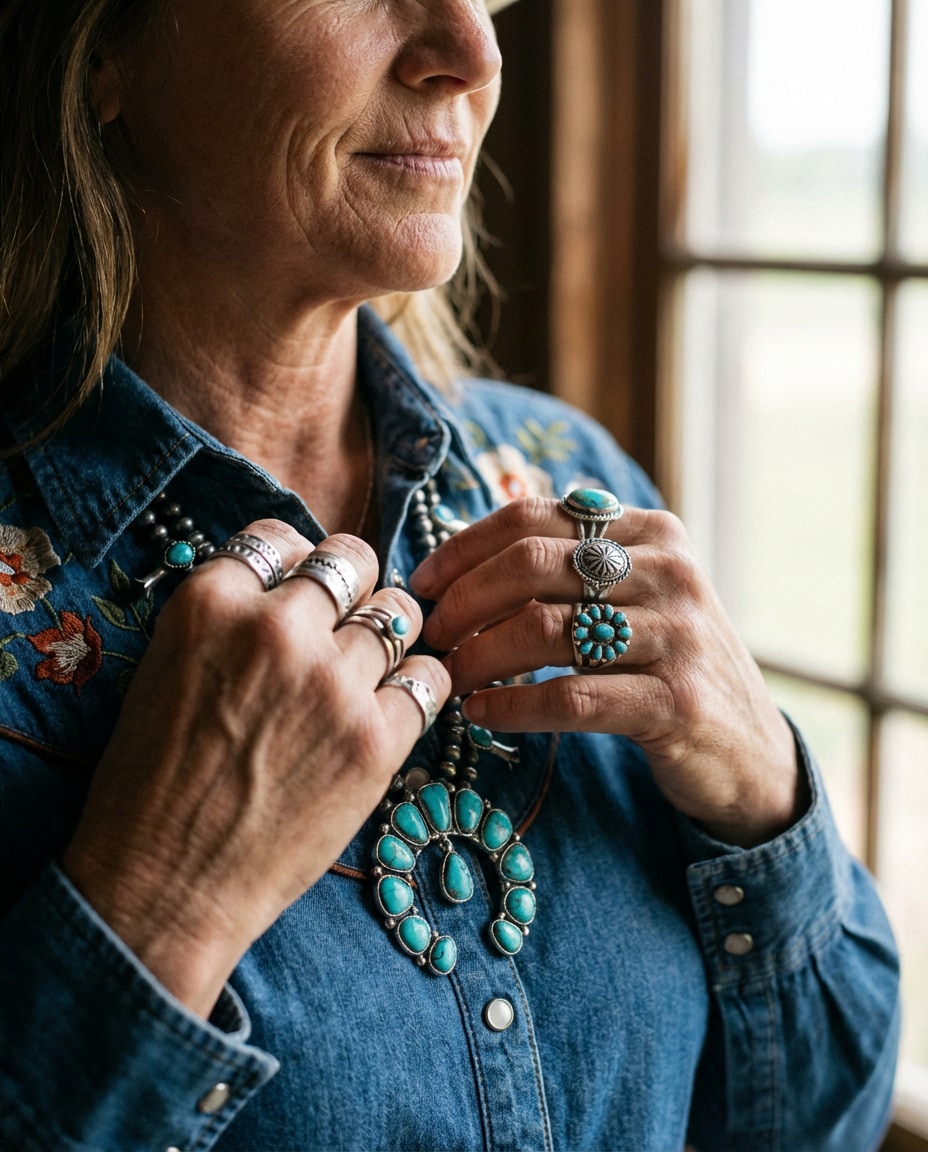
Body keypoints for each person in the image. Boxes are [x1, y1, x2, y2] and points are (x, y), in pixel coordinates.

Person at [0, 1, 899, 1149]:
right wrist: (160, 913)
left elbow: (826, 1121)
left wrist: (762, 800)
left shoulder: (570, 480)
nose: (472, 53)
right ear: (105, 49)